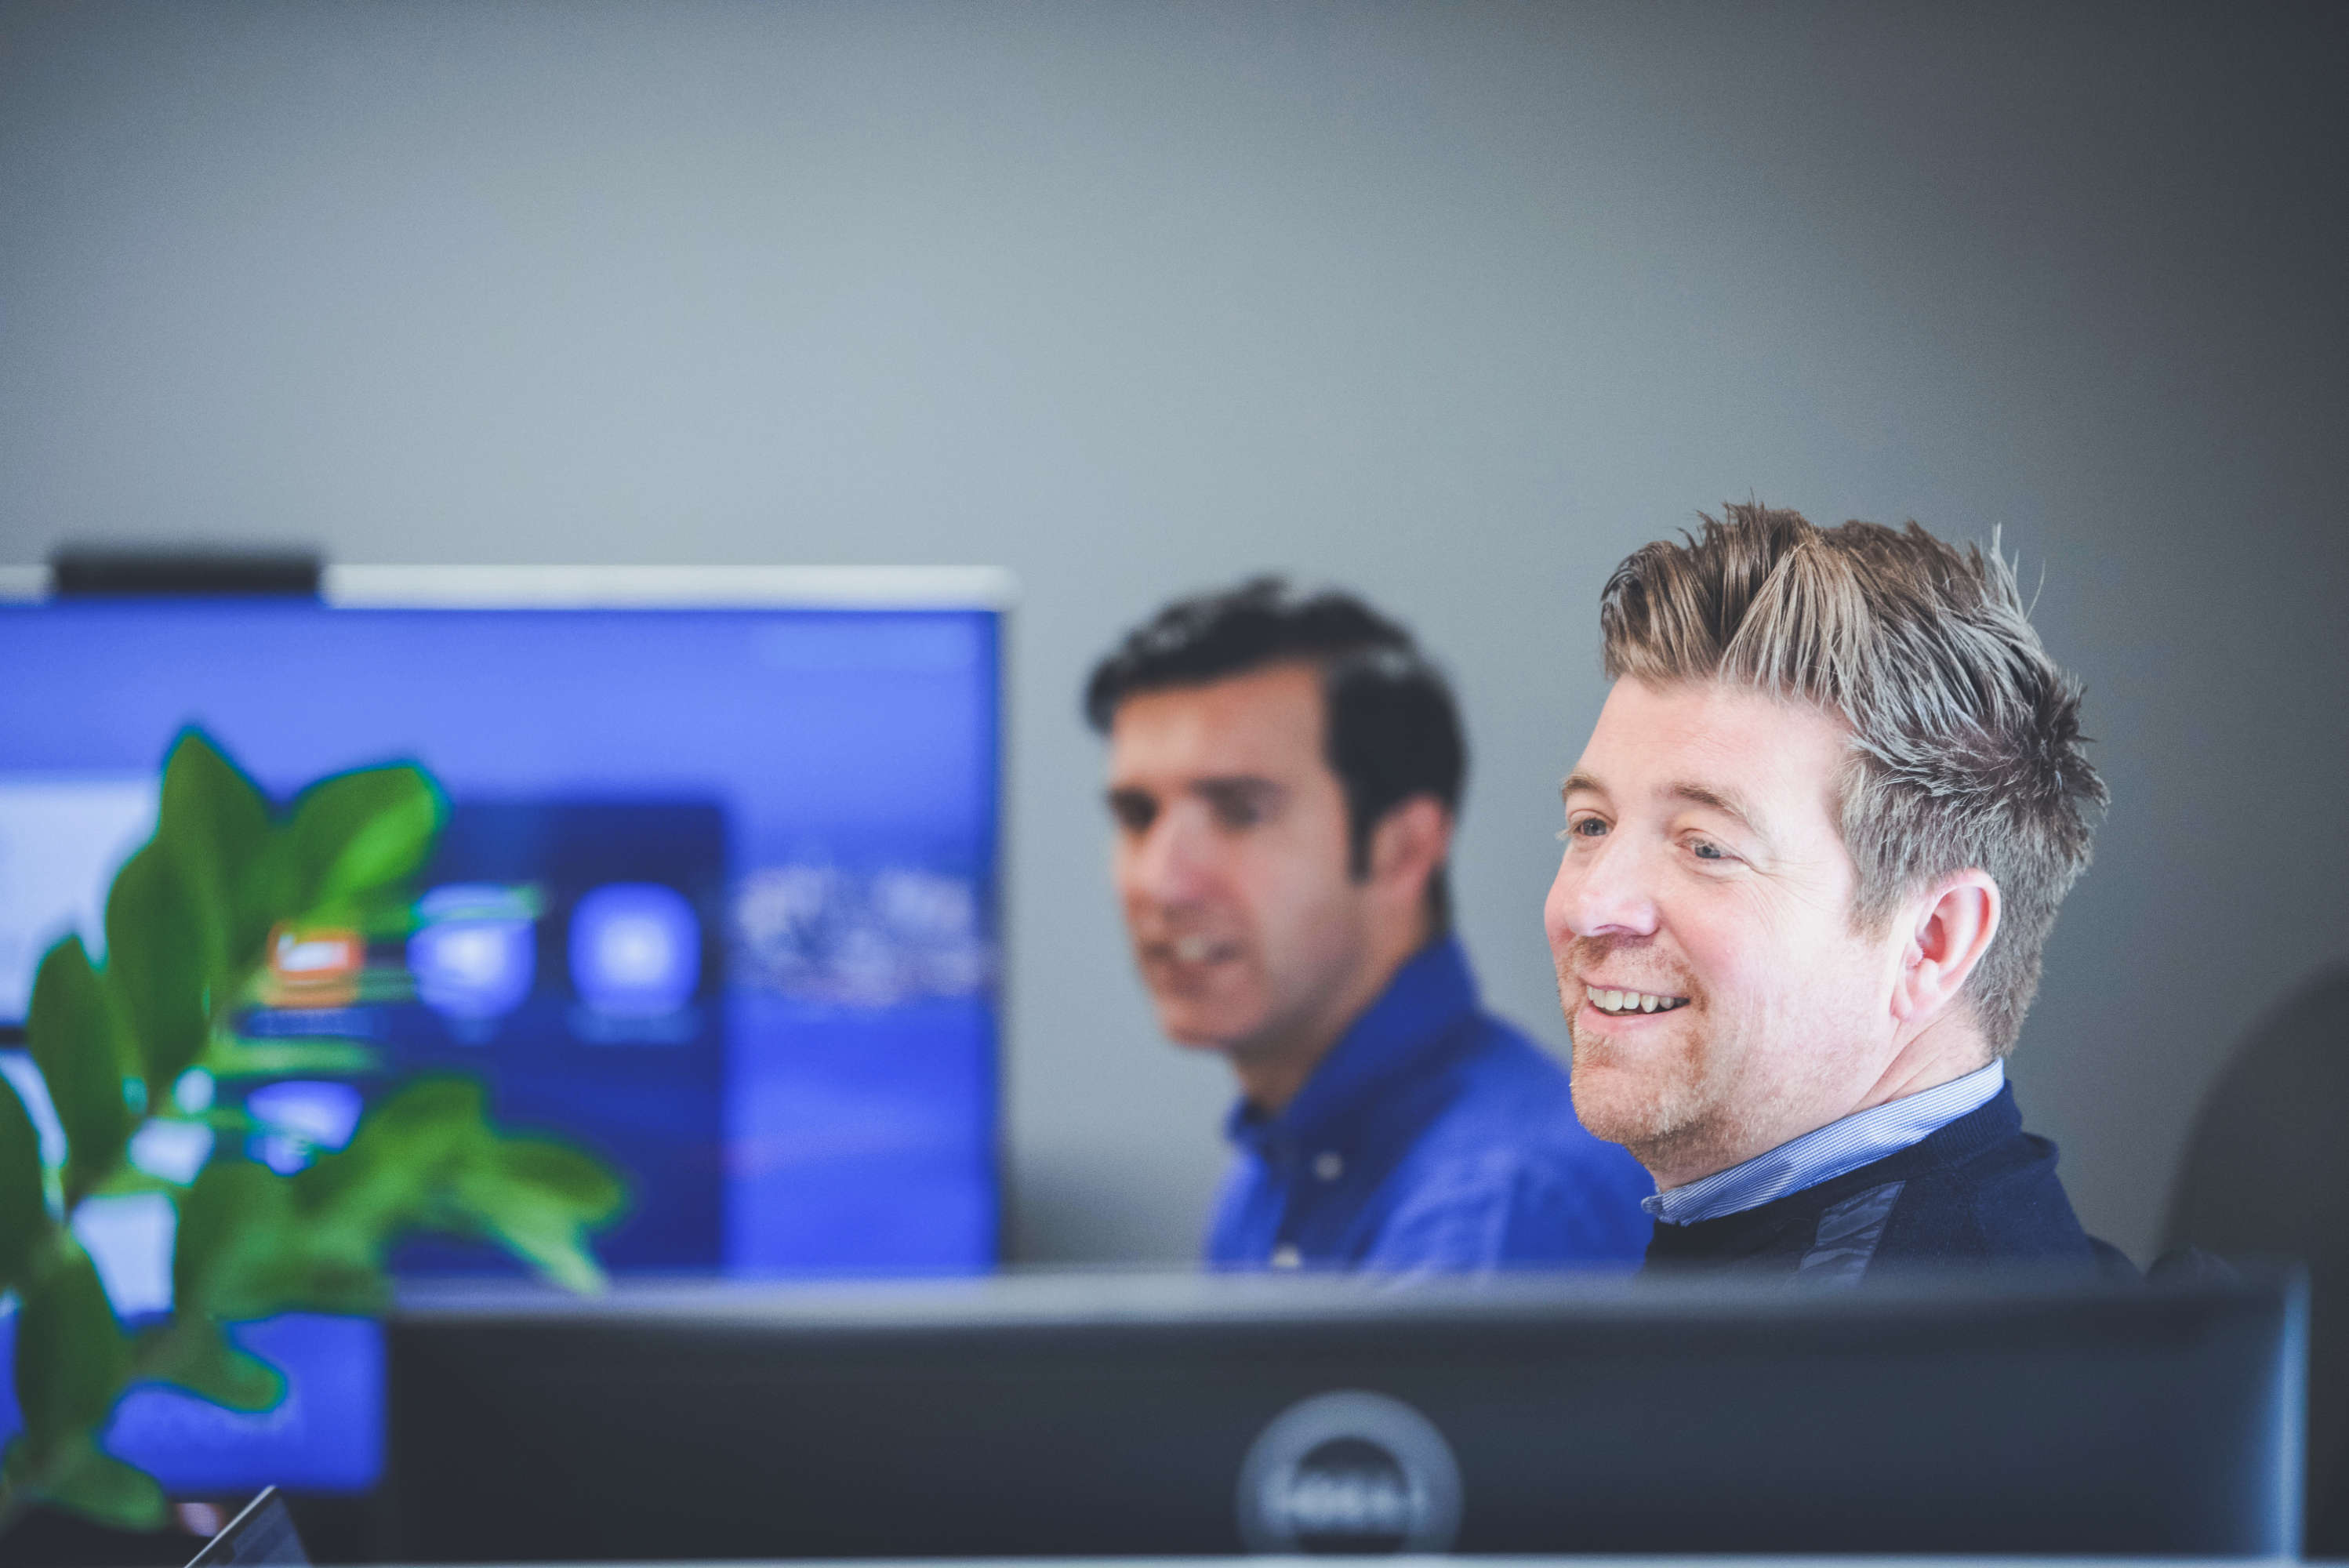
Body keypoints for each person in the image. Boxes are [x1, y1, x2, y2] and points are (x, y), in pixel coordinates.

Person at [1545, 503, 2123, 1279]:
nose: (1587, 905)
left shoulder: (1881, 1377)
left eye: (1706, 846)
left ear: (1931, 942)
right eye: (1590, 825)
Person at [1087, 579, 1652, 1274]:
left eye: (1241, 811)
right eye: (1138, 816)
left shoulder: (1493, 1211)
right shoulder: (1275, 1170)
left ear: (1403, 849)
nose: (1161, 883)